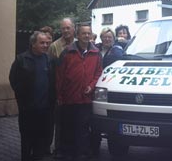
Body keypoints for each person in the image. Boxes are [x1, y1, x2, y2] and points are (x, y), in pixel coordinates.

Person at [56, 24, 102, 160]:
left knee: (83, 128)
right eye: (83, 33)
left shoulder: (96, 53)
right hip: (69, 97)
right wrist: (59, 95)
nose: (86, 36)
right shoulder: (67, 52)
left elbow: (98, 72)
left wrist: (92, 86)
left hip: (85, 98)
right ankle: (67, 153)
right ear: (78, 35)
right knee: (68, 127)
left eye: (89, 33)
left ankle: (82, 153)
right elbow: (59, 75)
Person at [9, 31, 55, 161]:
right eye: (42, 43)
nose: (46, 45)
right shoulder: (21, 59)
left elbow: (53, 82)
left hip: (45, 109)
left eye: (47, 43)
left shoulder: (50, 60)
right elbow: (13, 79)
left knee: (41, 140)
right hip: (28, 109)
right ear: (33, 44)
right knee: (27, 139)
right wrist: (22, 98)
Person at [48, 17, 76, 159]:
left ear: (74, 28)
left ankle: (73, 148)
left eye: (68, 27)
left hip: (77, 91)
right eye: (63, 28)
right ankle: (59, 149)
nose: (65, 31)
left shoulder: (81, 44)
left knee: (75, 122)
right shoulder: (54, 46)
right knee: (60, 122)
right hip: (61, 92)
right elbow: (50, 70)